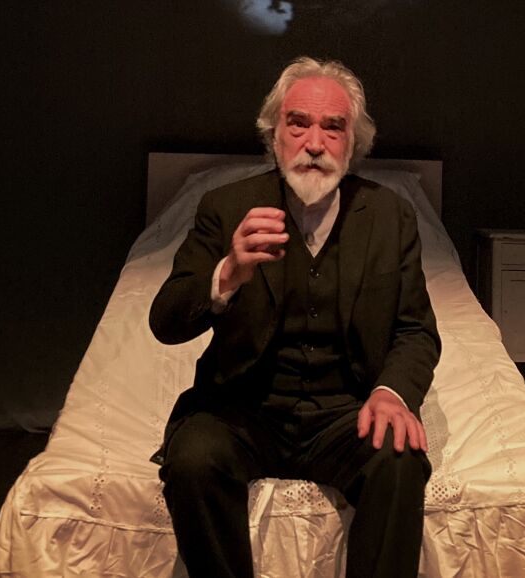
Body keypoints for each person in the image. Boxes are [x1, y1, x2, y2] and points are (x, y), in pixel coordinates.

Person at [149, 56, 441, 578]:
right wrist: (228, 273)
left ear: (353, 143)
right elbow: (166, 321)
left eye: (333, 127)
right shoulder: (225, 206)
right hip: (243, 410)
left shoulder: (391, 216)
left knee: (399, 460)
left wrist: (391, 393)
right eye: (298, 123)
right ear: (274, 135)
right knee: (192, 460)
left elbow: (415, 330)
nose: (314, 143)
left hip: (346, 412)